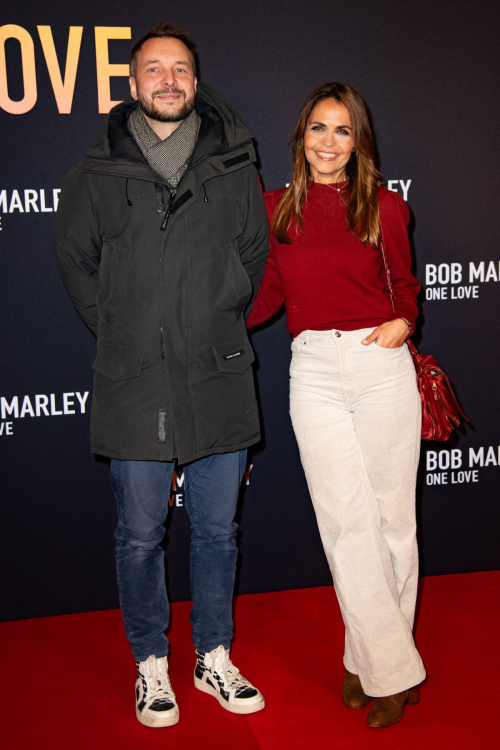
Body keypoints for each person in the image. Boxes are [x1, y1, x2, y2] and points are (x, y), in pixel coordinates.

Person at [54, 21, 268, 728]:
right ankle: (151, 666)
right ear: (132, 84)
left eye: (180, 69)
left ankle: (214, 656)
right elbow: (76, 262)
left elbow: (254, 257)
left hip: (219, 375)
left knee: (216, 534)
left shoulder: (235, 164)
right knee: (140, 536)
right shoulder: (96, 172)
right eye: (154, 69)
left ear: (195, 82)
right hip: (133, 378)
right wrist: (123, 327)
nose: (168, 80)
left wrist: (214, 316)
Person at [247, 82, 425, 728]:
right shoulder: (275, 211)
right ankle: (392, 668)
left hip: (381, 364)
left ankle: (370, 659)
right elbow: (265, 299)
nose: (328, 142)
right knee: (345, 525)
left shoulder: (385, 206)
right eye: (318, 129)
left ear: (358, 143)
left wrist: (404, 320)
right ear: (301, 138)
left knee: (393, 526)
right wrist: (208, 321)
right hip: (315, 370)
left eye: (342, 130)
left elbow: (404, 286)